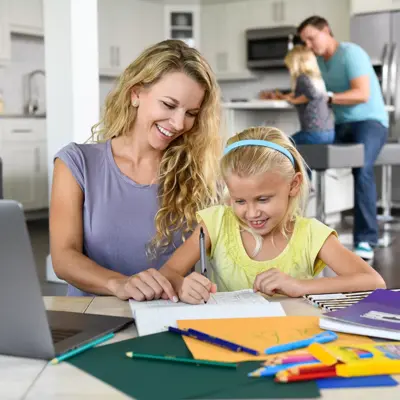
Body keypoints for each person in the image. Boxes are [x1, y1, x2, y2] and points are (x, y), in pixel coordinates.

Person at [49, 40, 222, 300]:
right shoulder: (77, 163)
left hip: (170, 319)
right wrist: (119, 284)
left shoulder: (200, 174)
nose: (178, 123)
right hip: (94, 318)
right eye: (168, 105)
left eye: (191, 113)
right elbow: (63, 257)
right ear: (136, 94)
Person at [159, 126, 386, 304]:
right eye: (239, 201)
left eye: (263, 199)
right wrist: (181, 285)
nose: (251, 212)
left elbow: (374, 282)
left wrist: (301, 286)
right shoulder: (215, 223)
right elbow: (168, 272)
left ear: (293, 185)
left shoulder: (311, 233)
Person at [297, 16, 389, 261]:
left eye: (311, 38)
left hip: (370, 122)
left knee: (363, 168)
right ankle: (302, 221)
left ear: (326, 30)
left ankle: (366, 240)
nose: (307, 44)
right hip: (341, 125)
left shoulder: (351, 53)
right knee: (300, 150)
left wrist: (328, 97)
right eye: (304, 41)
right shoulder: (317, 61)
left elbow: (362, 93)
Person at [279, 45, 335, 145]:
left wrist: (293, 101)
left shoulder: (302, 78)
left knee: (282, 145)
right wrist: (288, 96)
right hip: (329, 132)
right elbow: (309, 93)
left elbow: (312, 95)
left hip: (313, 133)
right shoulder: (317, 78)